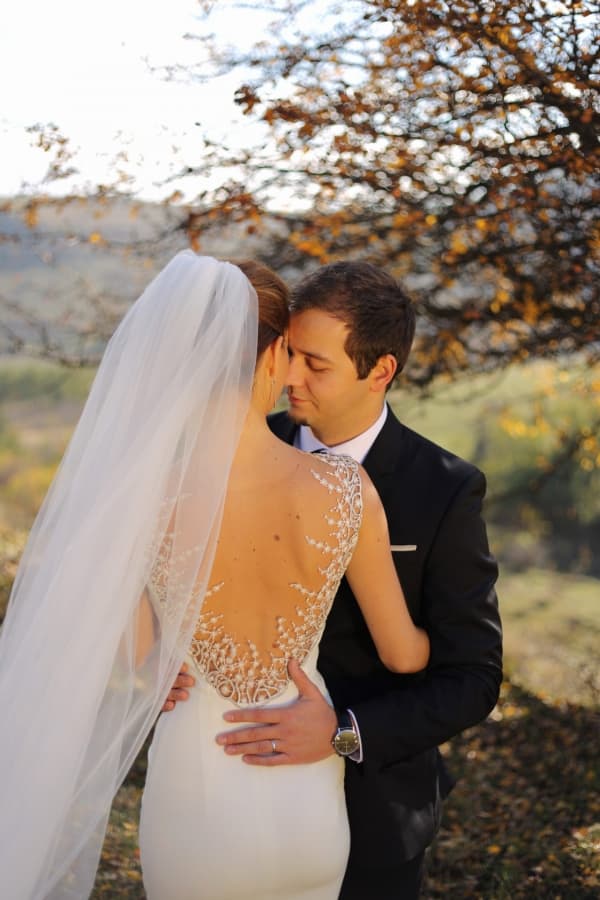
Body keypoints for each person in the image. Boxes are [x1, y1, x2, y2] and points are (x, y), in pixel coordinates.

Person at [0, 252, 428, 900]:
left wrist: (168, 654)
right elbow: (403, 654)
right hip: (305, 803)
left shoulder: (146, 497)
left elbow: (138, 652)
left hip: (195, 800)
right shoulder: (348, 488)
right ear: (275, 353)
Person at [167, 260, 503, 899]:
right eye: (289, 353)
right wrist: (166, 666)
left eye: (316, 365)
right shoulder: (227, 454)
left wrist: (345, 732)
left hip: (378, 808)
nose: (290, 377)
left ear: (380, 370)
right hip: (223, 782)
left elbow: (474, 677)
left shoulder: (444, 488)